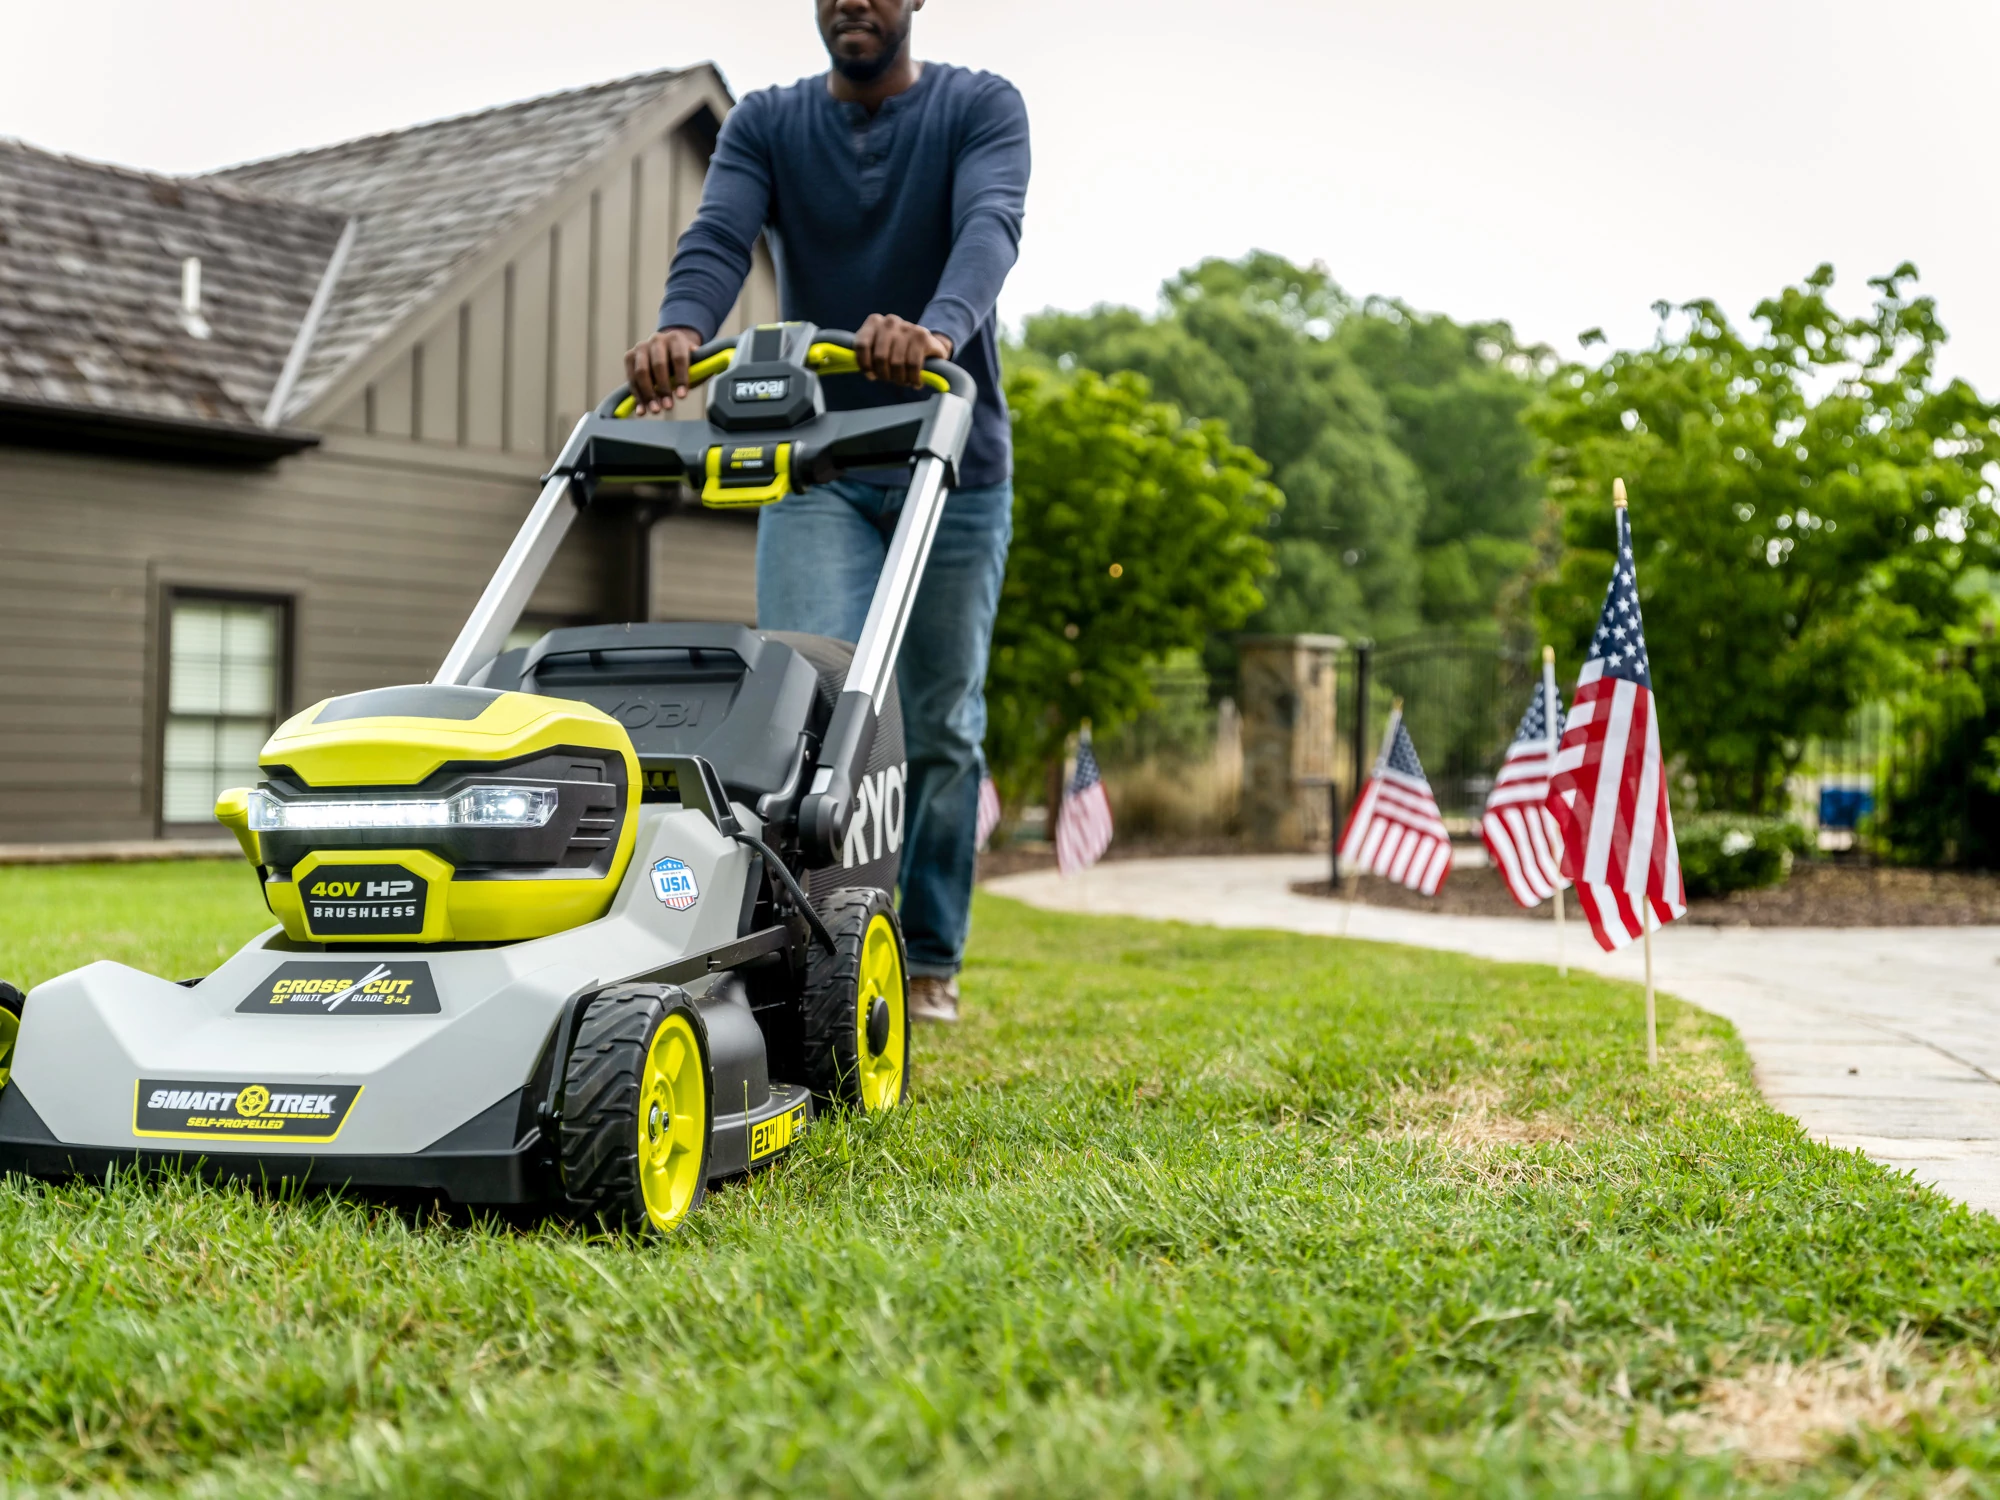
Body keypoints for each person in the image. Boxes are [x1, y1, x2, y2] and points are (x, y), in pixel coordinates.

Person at [625, 0, 1029, 1024]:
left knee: (935, 721)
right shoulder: (766, 122)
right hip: (819, 464)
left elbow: (990, 225)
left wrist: (936, 331)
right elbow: (719, 234)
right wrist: (680, 327)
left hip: (951, 468)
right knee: (804, 707)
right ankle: (807, 954)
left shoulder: (980, 107)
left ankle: (928, 955)